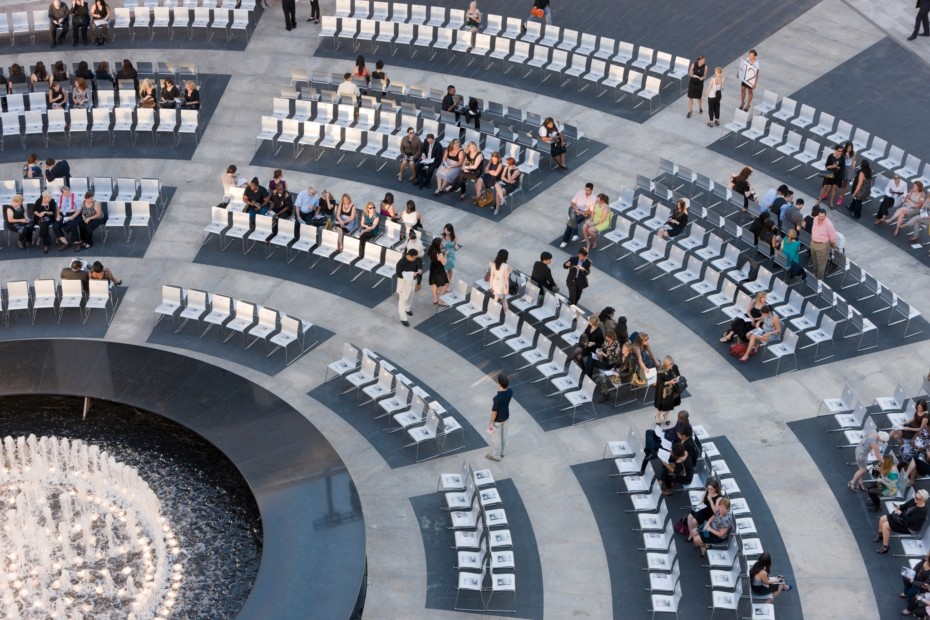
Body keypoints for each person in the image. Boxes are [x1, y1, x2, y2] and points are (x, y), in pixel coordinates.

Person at [560, 182, 596, 248]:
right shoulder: (580, 193)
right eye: (585, 189)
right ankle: (575, 234)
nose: (586, 191)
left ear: (591, 190)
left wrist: (583, 213)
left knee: (570, 222)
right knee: (571, 211)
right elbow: (572, 203)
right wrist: (575, 209)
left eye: (588, 190)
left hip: (584, 213)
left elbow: (590, 211)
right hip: (575, 210)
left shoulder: (594, 198)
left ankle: (565, 241)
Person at [486, 373, 512, 462]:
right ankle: (503, 452)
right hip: (506, 417)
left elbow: (494, 412)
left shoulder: (497, 398)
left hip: (497, 420)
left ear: (499, 384)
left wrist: (491, 423)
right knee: (504, 435)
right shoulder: (510, 391)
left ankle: (496, 455)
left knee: (496, 439)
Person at [395, 249, 422, 326]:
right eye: (414, 258)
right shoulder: (401, 263)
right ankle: (403, 319)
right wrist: (411, 274)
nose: (415, 259)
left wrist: (419, 269)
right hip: (404, 283)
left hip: (413, 280)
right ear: (409, 256)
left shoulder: (416, 259)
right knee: (402, 300)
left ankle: (407, 309)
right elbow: (399, 274)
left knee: (410, 295)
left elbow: (419, 264)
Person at [810, 208, 837, 280]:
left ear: (825, 216)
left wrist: (833, 247)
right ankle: (815, 275)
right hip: (813, 243)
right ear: (818, 215)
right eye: (820, 216)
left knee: (821, 265)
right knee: (814, 261)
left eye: (823, 216)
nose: (821, 218)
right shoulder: (815, 219)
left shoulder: (828, 224)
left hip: (822, 246)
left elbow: (832, 237)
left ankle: (819, 280)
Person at [654, 356, 682, 426]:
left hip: (673, 390)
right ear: (666, 364)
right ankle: (657, 416)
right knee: (661, 405)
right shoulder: (660, 371)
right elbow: (659, 383)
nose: (672, 366)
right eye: (670, 365)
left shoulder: (674, 367)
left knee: (671, 404)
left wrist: (678, 379)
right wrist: (670, 382)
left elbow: (678, 375)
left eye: (672, 364)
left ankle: (666, 415)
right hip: (663, 392)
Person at [817, 144, 844, 210]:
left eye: (841, 151)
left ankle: (831, 202)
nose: (840, 152)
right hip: (829, 172)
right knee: (825, 187)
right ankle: (819, 201)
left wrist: (837, 167)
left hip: (837, 174)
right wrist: (833, 166)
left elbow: (842, 167)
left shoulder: (842, 157)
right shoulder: (830, 156)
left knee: (834, 189)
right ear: (836, 150)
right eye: (839, 151)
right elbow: (827, 166)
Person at [54, 186, 80, 250]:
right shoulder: (60, 197)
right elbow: (58, 208)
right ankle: (65, 242)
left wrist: (73, 216)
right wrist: (58, 215)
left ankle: (76, 242)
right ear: (62, 193)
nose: (68, 193)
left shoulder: (75, 196)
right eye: (66, 193)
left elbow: (79, 209)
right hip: (62, 214)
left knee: (73, 225)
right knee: (55, 226)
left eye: (69, 191)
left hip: (73, 213)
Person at [427, 237, 449, 305]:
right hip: (439, 270)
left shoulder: (431, 248)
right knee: (445, 284)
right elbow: (444, 263)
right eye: (440, 244)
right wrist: (445, 255)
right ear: (437, 245)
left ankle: (435, 299)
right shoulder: (440, 254)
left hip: (433, 268)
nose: (441, 244)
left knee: (434, 284)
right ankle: (441, 301)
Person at [838, 142, 856, 206]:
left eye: (850, 148)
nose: (849, 149)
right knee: (836, 181)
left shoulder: (853, 153)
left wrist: (851, 172)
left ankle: (841, 197)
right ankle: (827, 193)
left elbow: (852, 163)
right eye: (848, 148)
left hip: (848, 168)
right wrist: (845, 156)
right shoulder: (843, 152)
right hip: (842, 167)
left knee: (844, 184)